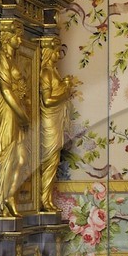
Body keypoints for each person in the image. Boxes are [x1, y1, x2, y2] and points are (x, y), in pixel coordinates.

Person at [0, 20, 29, 216]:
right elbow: (5, 89)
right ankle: (4, 199)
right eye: (17, 36)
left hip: (18, 110)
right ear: (8, 37)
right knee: (8, 154)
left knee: (22, 158)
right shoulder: (2, 58)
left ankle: (10, 195)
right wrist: (21, 114)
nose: (20, 40)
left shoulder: (15, 60)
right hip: (9, 111)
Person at [39, 39, 74, 210]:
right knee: (50, 158)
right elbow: (47, 101)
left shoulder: (54, 72)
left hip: (55, 119)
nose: (58, 55)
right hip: (49, 121)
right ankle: (44, 200)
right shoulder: (46, 73)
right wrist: (65, 92)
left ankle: (46, 198)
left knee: (53, 159)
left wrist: (64, 86)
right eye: (56, 51)